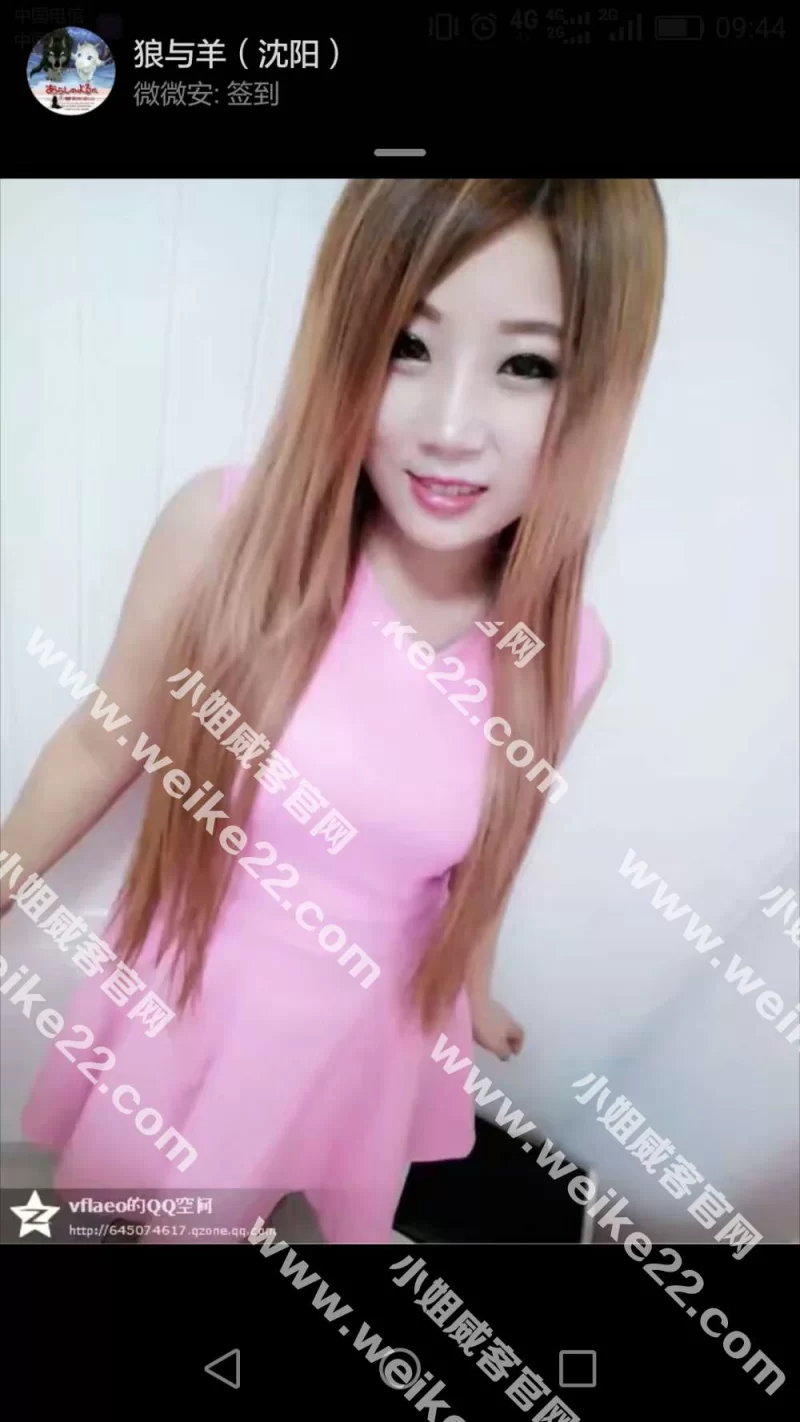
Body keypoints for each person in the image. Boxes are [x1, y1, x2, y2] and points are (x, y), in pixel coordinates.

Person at [0, 179, 666, 1243]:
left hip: (364, 1032)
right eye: (408, 345)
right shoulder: (224, 534)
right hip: (192, 1002)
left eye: (526, 366)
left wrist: (473, 984)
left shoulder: (566, 655)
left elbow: (489, 854)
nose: (449, 429)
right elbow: (100, 740)